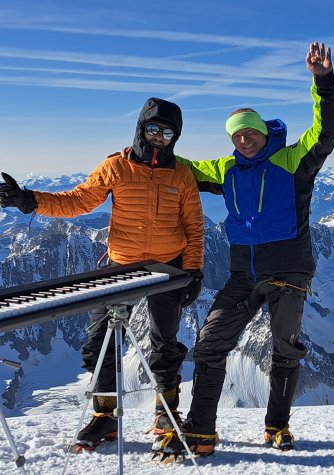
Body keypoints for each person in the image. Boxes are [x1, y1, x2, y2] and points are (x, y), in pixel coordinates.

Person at [157, 41, 334, 456]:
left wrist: (322, 81)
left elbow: (325, 131)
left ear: (262, 131)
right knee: (210, 342)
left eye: (250, 132)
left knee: (285, 349)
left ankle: (277, 426)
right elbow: (181, 166)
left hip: (289, 272)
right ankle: (201, 430)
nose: (244, 140)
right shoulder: (226, 170)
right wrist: (148, 147)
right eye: (237, 135)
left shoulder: (293, 160)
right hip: (243, 275)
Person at [0, 98, 205, 452]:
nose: (158, 137)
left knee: (165, 344)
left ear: (176, 137)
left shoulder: (182, 174)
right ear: (140, 129)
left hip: (168, 266)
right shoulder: (116, 167)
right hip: (121, 265)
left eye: (167, 132)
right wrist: (29, 200)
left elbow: (194, 226)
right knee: (99, 344)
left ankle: (166, 412)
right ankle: (105, 416)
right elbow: (78, 201)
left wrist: (194, 269)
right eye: (152, 129)